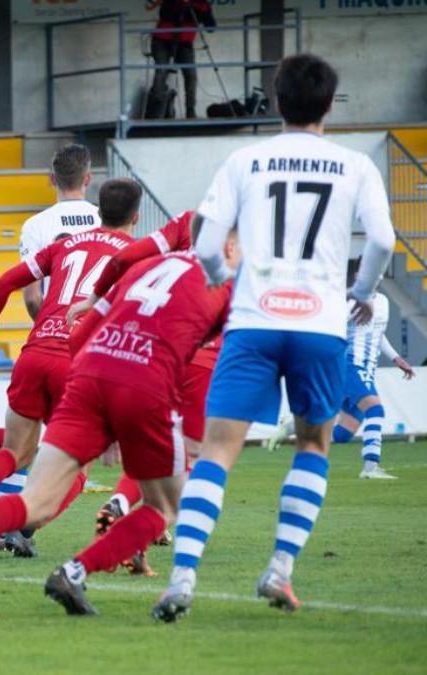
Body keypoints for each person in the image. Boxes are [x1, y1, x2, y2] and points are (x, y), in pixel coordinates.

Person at [153, 53, 396, 621]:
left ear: (277, 100)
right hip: (320, 325)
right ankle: (280, 569)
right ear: (329, 105)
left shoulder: (245, 160)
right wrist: (361, 291)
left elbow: (206, 243)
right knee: (313, 445)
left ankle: (182, 578)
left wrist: (222, 278)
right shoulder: (356, 165)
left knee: (217, 451)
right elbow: (383, 239)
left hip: (254, 322)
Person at [0, 238, 237, 621]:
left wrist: (92, 399)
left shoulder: (145, 267)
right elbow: (230, 351)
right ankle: (74, 572)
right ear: (228, 244)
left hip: (88, 375)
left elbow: (82, 330)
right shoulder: (230, 282)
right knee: (165, 505)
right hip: (144, 384)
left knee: (34, 500)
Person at [0, 179, 141, 558]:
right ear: (137, 217)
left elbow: (3, 283)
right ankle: (22, 531)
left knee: (16, 452)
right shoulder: (136, 256)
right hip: (77, 362)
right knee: (77, 467)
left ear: (99, 211)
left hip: (34, 353)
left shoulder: (67, 244)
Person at [67, 209, 216, 573]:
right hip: (204, 356)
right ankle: (141, 534)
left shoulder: (183, 224)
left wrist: (94, 298)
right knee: (192, 459)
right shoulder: (238, 252)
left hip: (159, 351)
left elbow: (126, 257)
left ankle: (121, 502)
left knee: (157, 446)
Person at [267, 280, 416, 477]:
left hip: (367, 369)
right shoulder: (352, 303)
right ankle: (370, 468)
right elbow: (333, 328)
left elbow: (378, 333)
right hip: (351, 365)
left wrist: (396, 358)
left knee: (343, 433)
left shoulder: (383, 302)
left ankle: (293, 427)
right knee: (375, 409)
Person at [148, 0, 215, 119]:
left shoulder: (203, 4)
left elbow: (211, 27)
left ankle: (190, 110)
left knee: (191, 75)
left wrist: (197, 8)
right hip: (162, 41)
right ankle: (156, 112)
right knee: (161, 72)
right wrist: (184, 5)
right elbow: (166, 14)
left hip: (185, 43)